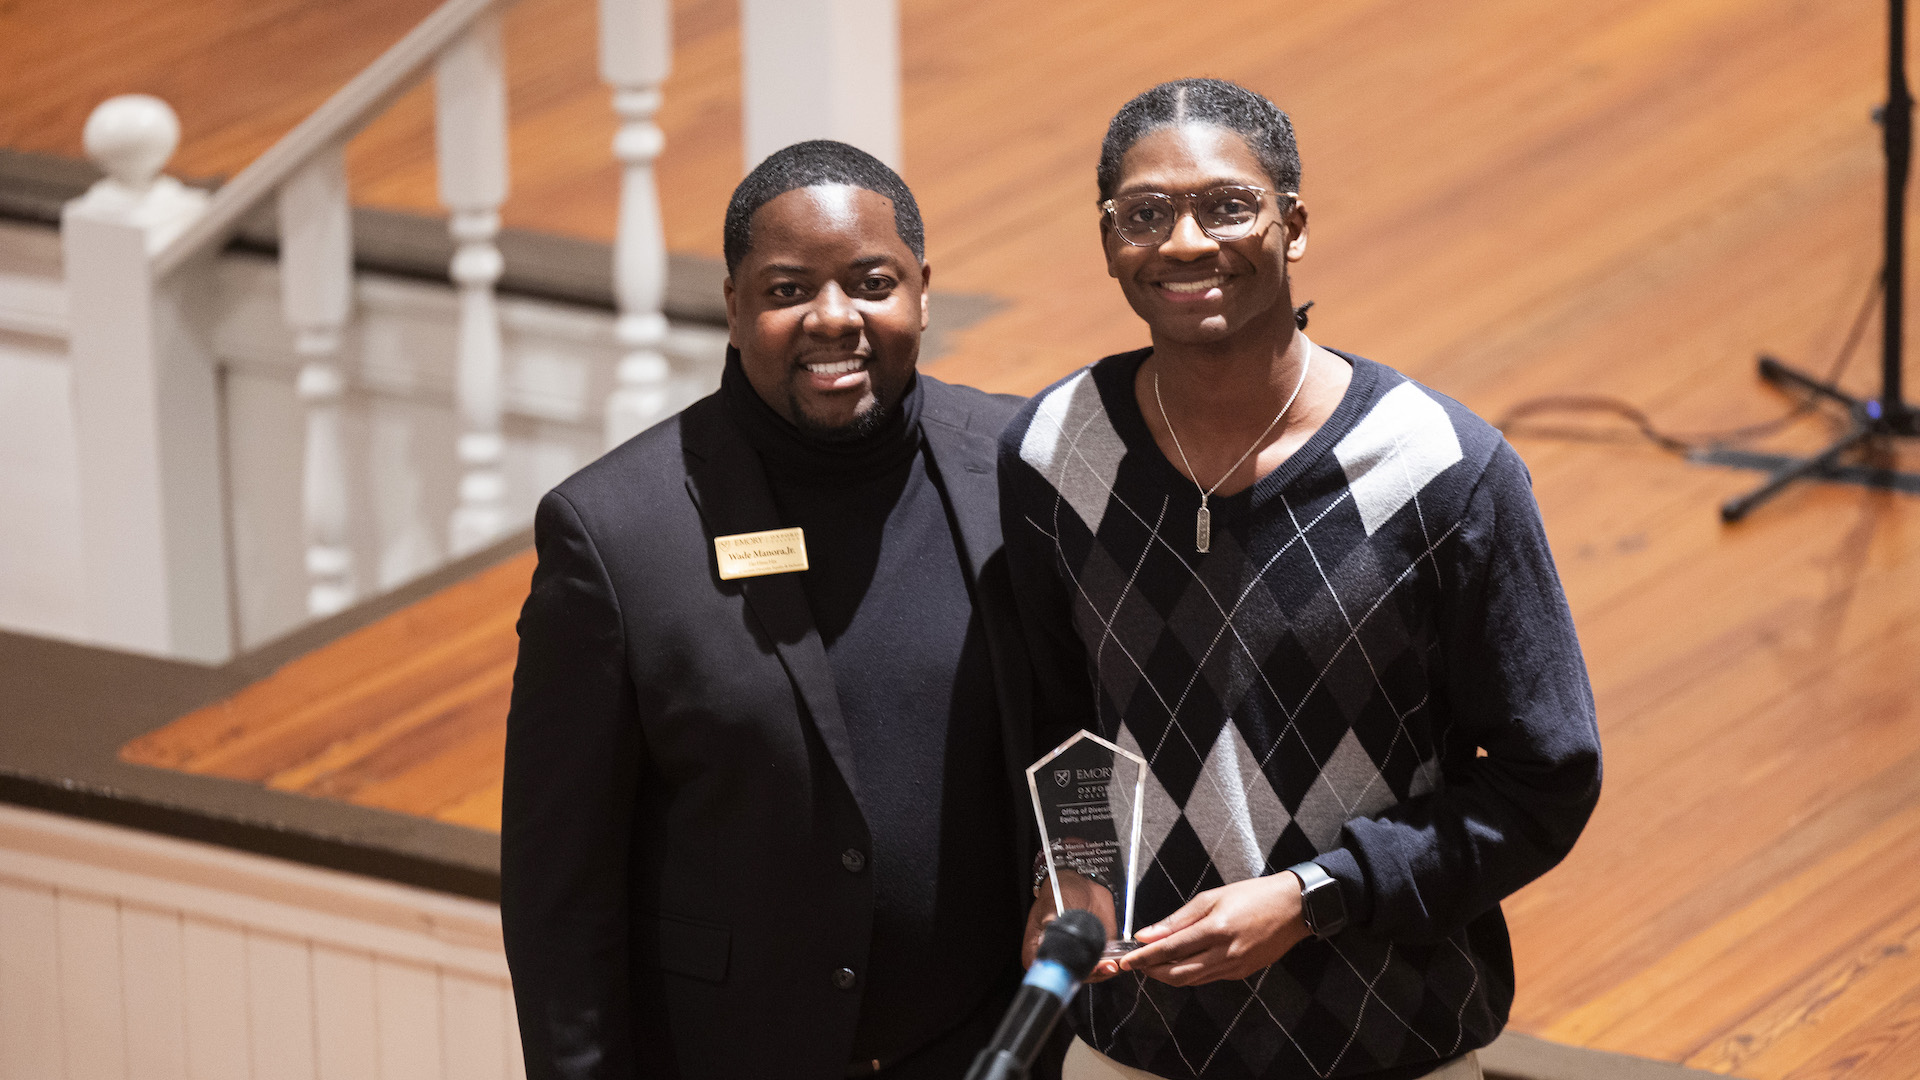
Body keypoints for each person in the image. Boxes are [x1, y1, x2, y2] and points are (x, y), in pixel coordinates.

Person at [998, 79, 1603, 1080]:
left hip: (1390, 1043)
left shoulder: (1443, 471)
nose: (1185, 243)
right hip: (1135, 1048)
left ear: (1295, 222)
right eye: (1145, 215)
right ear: (1108, 243)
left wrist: (1317, 895)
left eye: (1227, 206)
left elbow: (1547, 781)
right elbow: (1067, 722)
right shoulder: (1054, 455)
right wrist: (1081, 874)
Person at [502, 140, 1054, 1080]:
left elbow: (1084, 718)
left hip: (991, 1052)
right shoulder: (613, 534)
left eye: (871, 282)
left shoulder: (1020, 465)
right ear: (732, 305)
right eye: (787, 289)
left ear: (923, 290)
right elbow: (561, 897)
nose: (832, 318)